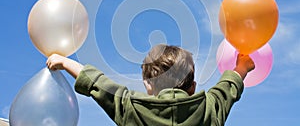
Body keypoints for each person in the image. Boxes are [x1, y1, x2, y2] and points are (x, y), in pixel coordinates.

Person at [46, 44, 255, 126]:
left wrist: (66, 62)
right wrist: (242, 66)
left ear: (148, 85)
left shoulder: (133, 108)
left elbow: (99, 84)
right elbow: (228, 87)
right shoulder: (209, 108)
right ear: (192, 87)